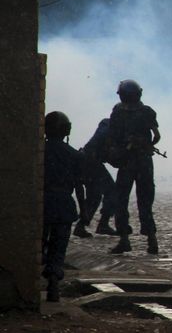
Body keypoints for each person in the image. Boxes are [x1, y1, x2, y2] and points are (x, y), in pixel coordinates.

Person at [108, 79, 161, 255]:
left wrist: (125, 146)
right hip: (144, 160)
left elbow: (113, 137)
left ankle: (124, 239)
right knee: (145, 200)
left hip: (127, 161)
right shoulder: (147, 112)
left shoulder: (118, 112)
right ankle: (151, 239)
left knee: (121, 199)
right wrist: (144, 144)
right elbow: (156, 136)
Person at [42, 111, 86, 302]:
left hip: (41, 203)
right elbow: (79, 186)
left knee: (39, 243)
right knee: (59, 246)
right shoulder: (73, 155)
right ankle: (53, 282)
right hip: (63, 204)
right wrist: (84, 211)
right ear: (66, 130)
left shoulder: (38, 151)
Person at [73, 118, 118, 238]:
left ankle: (81, 226)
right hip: (91, 162)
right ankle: (102, 224)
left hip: (89, 162)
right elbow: (105, 148)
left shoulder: (108, 125)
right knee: (112, 191)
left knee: (95, 195)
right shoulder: (110, 126)